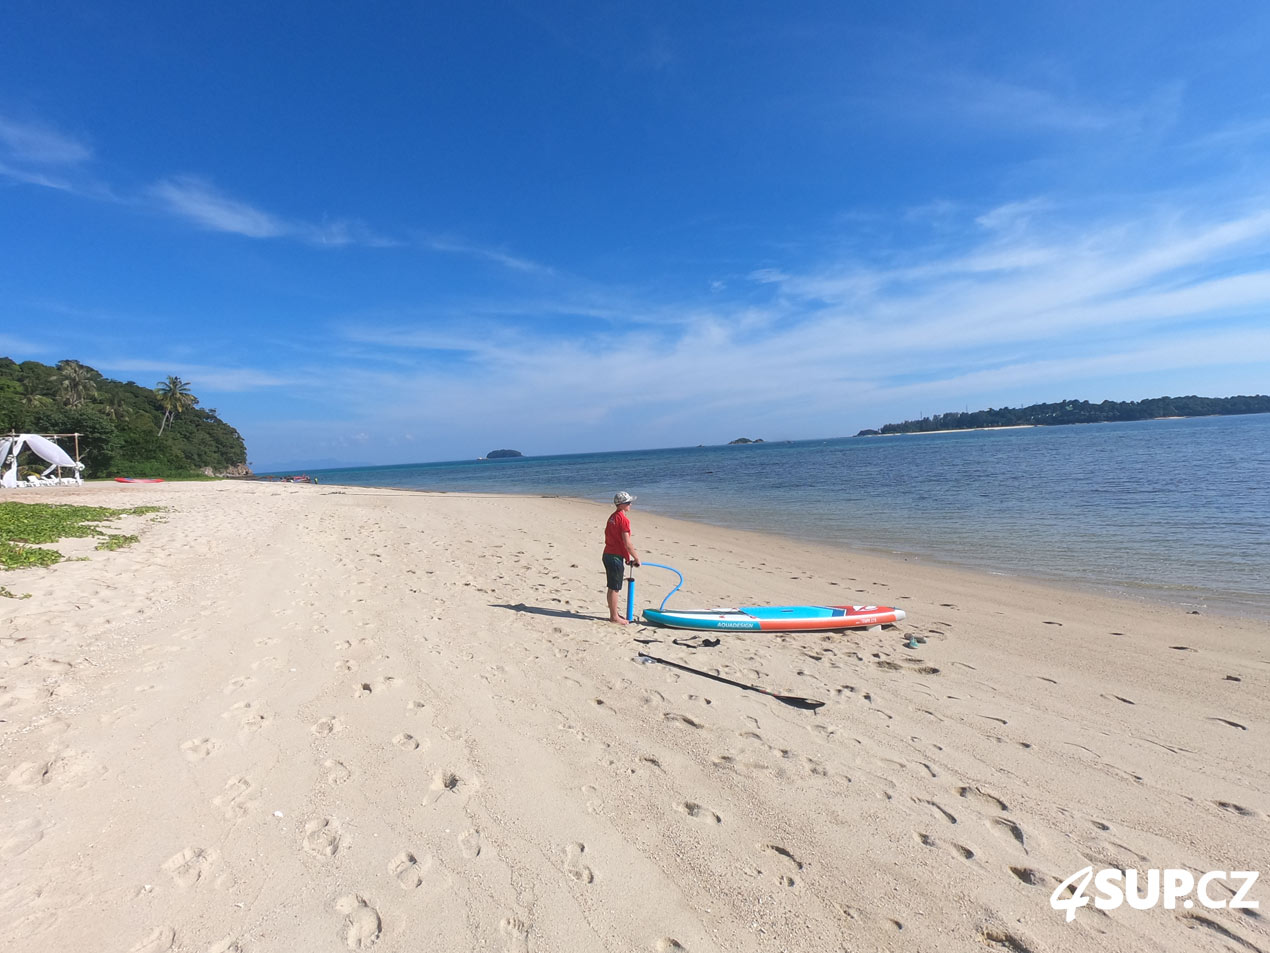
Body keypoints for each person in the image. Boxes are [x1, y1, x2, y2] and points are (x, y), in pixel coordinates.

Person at [602, 491, 641, 624]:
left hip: (609, 554)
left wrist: (626, 556)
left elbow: (616, 539)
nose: (630, 504)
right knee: (615, 587)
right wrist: (636, 558)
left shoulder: (613, 517)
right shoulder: (623, 519)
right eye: (628, 502)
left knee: (612, 586)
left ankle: (614, 614)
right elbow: (627, 542)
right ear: (622, 504)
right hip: (613, 556)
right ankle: (614, 617)